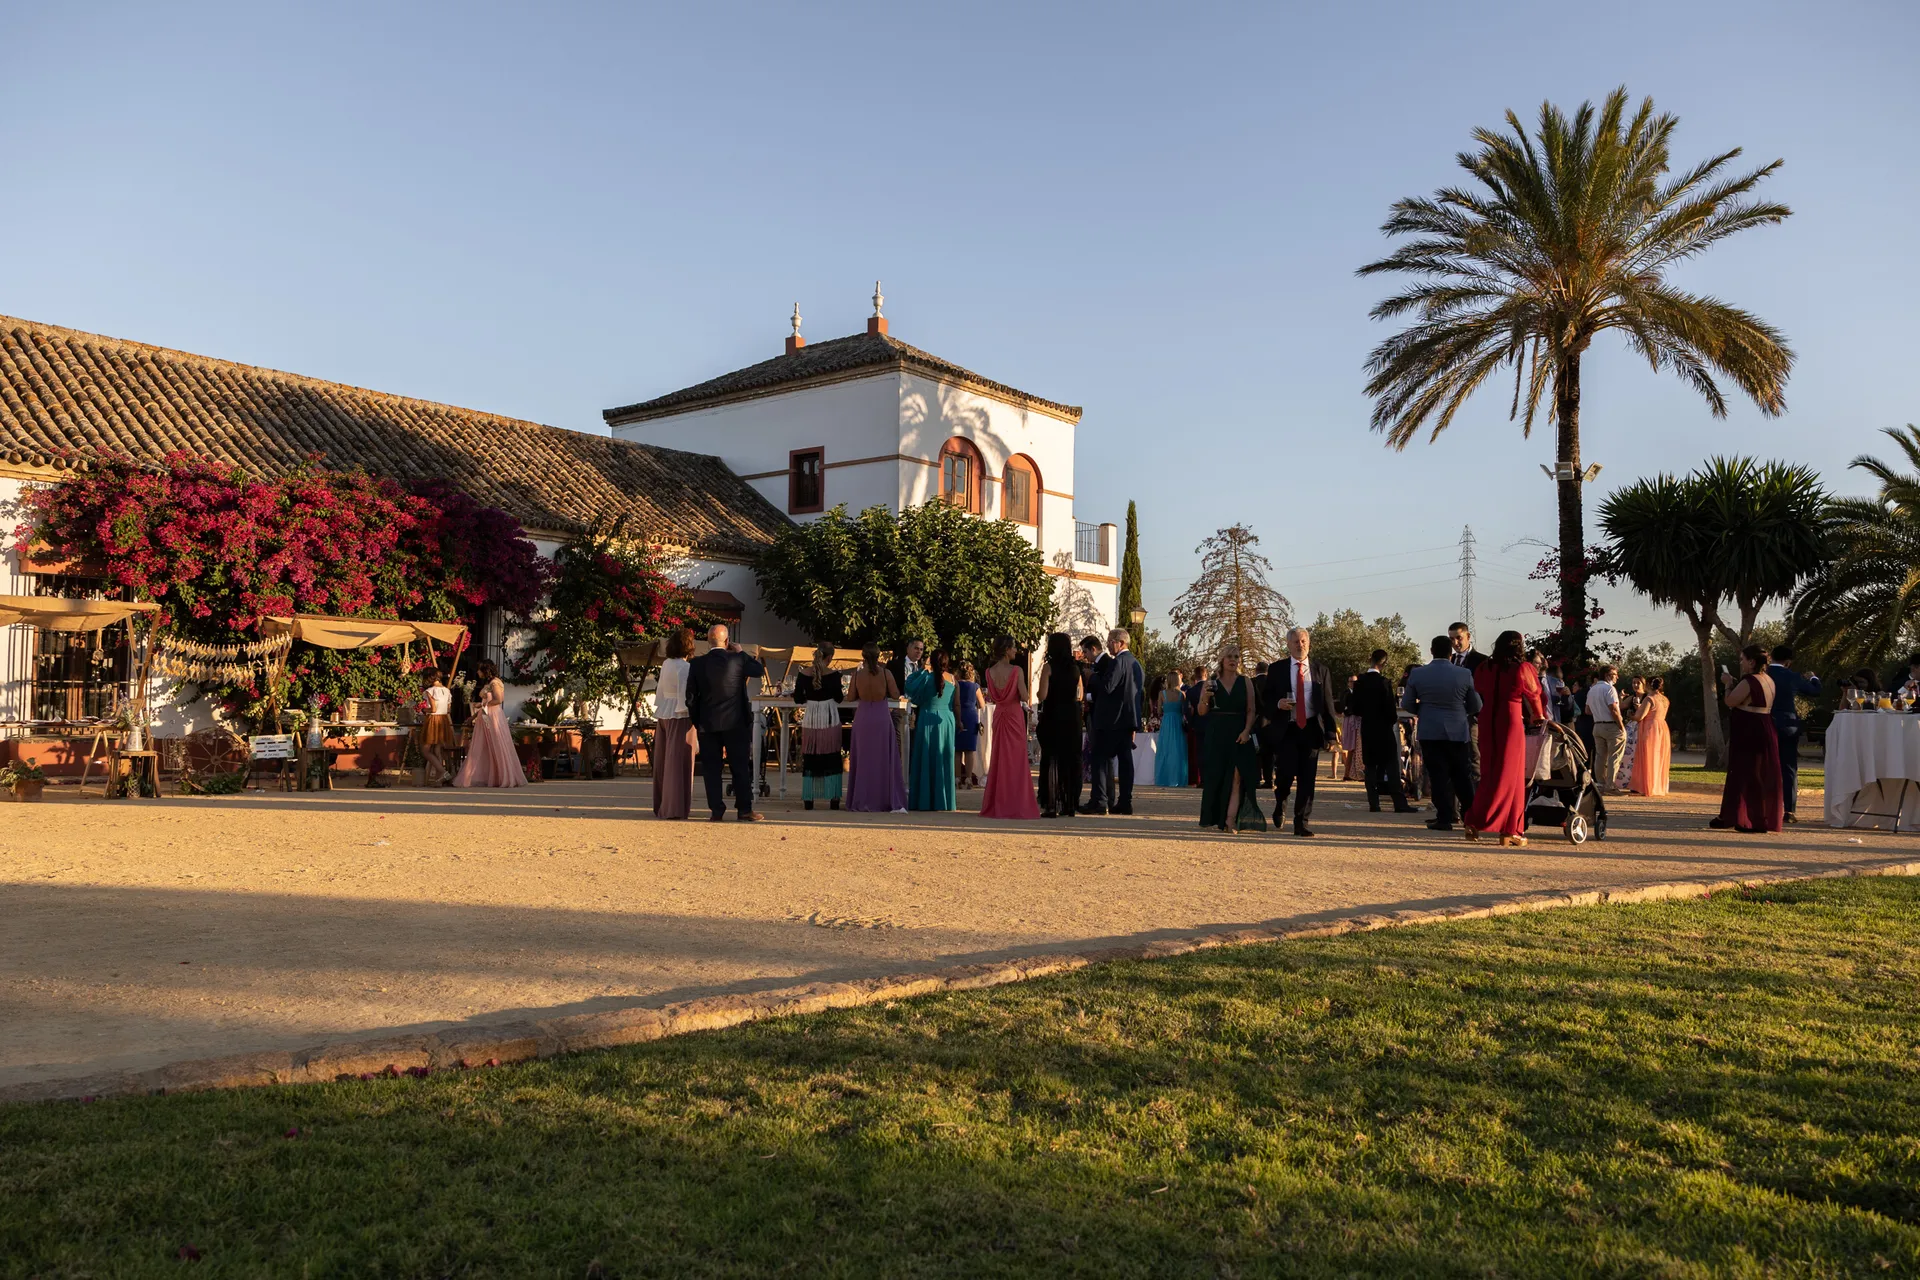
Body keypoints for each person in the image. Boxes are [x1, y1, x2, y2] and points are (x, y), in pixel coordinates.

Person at [1460, 630, 1545, 847]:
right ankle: (1511, 829)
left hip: (1488, 717)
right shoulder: (1523, 668)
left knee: (1490, 771)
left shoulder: (1485, 666)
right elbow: (1534, 695)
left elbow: (1479, 687)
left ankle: (1473, 821)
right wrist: (1538, 716)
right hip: (1511, 717)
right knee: (1512, 775)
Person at [1260, 626, 1339, 837]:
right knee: (1285, 775)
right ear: (1288, 645)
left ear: (1309, 643)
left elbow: (1328, 703)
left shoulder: (1320, 670)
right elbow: (1265, 700)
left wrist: (1331, 734)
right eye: (1295, 641)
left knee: (1308, 777)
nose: (1300, 645)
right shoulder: (1277, 669)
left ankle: (1301, 821)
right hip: (1287, 729)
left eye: (1303, 641)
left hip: (1311, 729)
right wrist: (1278, 703)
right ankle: (1281, 802)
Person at [685, 623, 765, 822]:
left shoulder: (697, 664)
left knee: (712, 769)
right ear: (727, 641)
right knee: (739, 767)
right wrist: (742, 653)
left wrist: (697, 720)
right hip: (736, 722)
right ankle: (744, 809)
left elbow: (691, 697)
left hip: (708, 723)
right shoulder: (738, 660)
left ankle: (716, 810)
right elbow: (759, 670)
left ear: (707, 641)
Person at [1401, 636, 1482, 831]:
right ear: (1450, 653)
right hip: (1458, 730)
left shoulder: (1419, 674)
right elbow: (1476, 704)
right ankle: (1470, 816)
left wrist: (1423, 711)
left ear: (1431, 650)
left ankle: (1444, 817)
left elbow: (1406, 704)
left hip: (1430, 729)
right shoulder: (1464, 674)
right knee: (1461, 774)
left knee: (1437, 775)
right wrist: (1461, 712)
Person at [1712, 645, 1784, 833]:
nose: (1741, 662)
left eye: (1743, 659)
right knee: (1751, 773)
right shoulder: (1769, 680)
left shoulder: (1750, 680)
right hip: (1764, 725)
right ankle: (1731, 815)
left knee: (1749, 773)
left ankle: (1755, 820)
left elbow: (1731, 701)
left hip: (1750, 730)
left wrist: (1727, 684)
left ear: (1752, 662)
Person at [1198, 645, 1264, 833]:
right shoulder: (1211, 682)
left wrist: (1246, 731)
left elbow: (1252, 710)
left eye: (1236, 656)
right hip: (1216, 733)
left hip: (1239, 734)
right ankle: (1216, 817)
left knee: (1237, 777)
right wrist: (1206, 698)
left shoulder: (1246, 682)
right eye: (1229, 656)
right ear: (1222, 659)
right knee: (1216, 777)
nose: (1233, 660)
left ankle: (1230, 820)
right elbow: (1202, 712)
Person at [1082, 627, 1145, 815]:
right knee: (1125, 762)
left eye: (1111, 641)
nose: (1108, 644)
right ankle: (1125, 801)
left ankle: (1100, 801)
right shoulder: (1136, 664)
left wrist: (1092, 677)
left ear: (1121, 643)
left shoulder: (1118, 662)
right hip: (1127, 719)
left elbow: (1108, 687)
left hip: (1111, 721)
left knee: (1100, 759)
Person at [979, 637, 1039, 819]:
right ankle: (1016, 803)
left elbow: (992, 696)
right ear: (1006, 650)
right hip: (1013, 715)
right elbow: (1025, 695)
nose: (1015, 651)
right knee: (1016, 759)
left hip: (999, 714)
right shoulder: (1016, 670)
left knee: (999, 758)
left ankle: (999, 802)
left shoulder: (989, 672)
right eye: (1013, 648)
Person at [1348, 648, 1414, 812]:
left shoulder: (1360, 682)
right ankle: (1398, 802)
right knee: (1391, 765)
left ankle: (1373, 803)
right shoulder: (1384, 683)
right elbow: (1391, 712)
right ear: (1384, 664)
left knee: (1370, 766)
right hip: (1384, 729)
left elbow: (1355, 708)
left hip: (1368, 728)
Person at [845, 644, 907, 812]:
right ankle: (884, 798)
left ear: (863, 656)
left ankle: (862, 798)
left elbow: (850, 697)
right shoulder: (886, 673)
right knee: (883, 759)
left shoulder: (858, 675)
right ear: (879, 656)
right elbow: (895, 694)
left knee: (863, 759)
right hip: (881, 715)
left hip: (863, 716)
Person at [1766, 644, 1823, 824]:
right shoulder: (1792, 676)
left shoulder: (1763, 675)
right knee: (1789, 767)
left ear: (1771, 657)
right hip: (1787, 725)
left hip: (1766, 722)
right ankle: (1789, 810)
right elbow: (1815, 691)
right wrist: (1814, 677)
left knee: (1764, 765)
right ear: (1788, 662)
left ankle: (1765, 807)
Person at [454, 659, 528, 789]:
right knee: (483, 747)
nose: (477, 672)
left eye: (479, 669)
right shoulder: (490, 683)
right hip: (486, 716)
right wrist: (473, 716)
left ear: (485, 670)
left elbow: (499, 699)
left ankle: (504, 776)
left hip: (493, 716)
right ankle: (491, 776)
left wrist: (481, 704)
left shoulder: (495, 683)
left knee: (497, 744)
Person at [1035, 632, 1084, 818]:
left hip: (1054, 715)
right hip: (1072, 716)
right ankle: (1070, 803)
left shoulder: (1049, 667)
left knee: (1051, 759)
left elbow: (1042, 695)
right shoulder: (1076, 668)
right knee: (1070, 760)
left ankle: (1051, 804)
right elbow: (1080, 694)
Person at [792, 644, 845, 811]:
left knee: (811, 754)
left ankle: (809, 798)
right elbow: (839, 698)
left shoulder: (803, 674)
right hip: (829, 715)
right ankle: (833, 798)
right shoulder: (834, 675)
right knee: (832, 754)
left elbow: (798, 699)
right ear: (829, 658)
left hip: (811, 717)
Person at [651, 627, 696, 818]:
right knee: (678, 762)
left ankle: (662, 805)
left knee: (663, 761)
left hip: (663, 712)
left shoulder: (666, 664)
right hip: (679, 713)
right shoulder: (685, 667)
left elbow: (660, 691)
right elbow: (685, 695)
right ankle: (674, 808)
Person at [905, 648, 958, 811]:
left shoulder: (926, 679)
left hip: (927, 718)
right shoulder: (953, 679)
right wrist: (960, 722)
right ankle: (944, 801)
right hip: (946, 720)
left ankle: (924, 800)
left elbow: (909, 686)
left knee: (925, 757)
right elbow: (957, 704)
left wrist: (922, 669)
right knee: (944, 759)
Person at [1448, 622, 1488, 788]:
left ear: (1468, 637)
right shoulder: (1449, 662)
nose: (1456, 643)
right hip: (1452, 718)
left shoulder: (1482, 661)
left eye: (1459, 638)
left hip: (1472, 717)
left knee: (1474, 758)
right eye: (1452, 639)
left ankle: (1477, 800)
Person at [887, 638, 925, 791]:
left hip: (916, 711)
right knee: (898, 744)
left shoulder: (922, 668)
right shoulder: (894, 665)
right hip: (898, 709)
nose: (919, 652)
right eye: (916, 648)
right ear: (908, 648)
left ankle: (911, 780)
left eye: (921, 649)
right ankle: (895, 780)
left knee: (913, 745)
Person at [1630, 675, 1672, 797]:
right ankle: (1657, 785)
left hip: (1650, 728)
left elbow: (1639, 717)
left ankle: (1646, 785)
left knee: (1648, 756)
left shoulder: (1649, 698)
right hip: (1662, 727)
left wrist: (1631, 715)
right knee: (1659, 757)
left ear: (1648, 685)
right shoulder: (1665, 699)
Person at [1587, 665, 1625, 793]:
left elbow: (1587, 710)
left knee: (1600, 756)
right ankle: (1610, 785)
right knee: (1614, 756)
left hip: (1597, 724)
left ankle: (1600, 784)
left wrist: (1599, 711)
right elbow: (1613, 708)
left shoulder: (1592, 689)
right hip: (1611, 725)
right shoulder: (1609, 688)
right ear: (1608, 676)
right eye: (1615, 674)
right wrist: (1621, 725)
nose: (1617, 677)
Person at [1153, 673, 1189, 787]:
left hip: (1167, 723)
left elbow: (1159, 711)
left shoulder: (1162, 694)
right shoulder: (1182, 694)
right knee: (1178, 750)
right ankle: (1178, 778)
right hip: (1178, 723)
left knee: (1165, 749)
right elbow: (1184, 711)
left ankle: (1164, 777)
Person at [953, 661, 985, 789]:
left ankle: (956, 778)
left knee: (958, 751)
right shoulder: (975, 686)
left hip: (958, 715)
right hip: (971, 716)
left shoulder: (955, 684)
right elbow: (982, 704)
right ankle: (968, 778)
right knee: (970, 750)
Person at [420, 670, 454, 786]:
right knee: (437, 749)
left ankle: (443, 772)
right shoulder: (447, 691)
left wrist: (424, 710)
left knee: (425, 750)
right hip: (443, 720)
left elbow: (433, 709)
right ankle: (439, 780)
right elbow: (448, 709)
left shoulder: (430, 691)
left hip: (434, 720)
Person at [1615, 675, 1644, 791]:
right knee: (1627, 755)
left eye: (1638, 683)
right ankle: (1625, 780)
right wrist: (1620, 697)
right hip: (1631, 728)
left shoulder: (1647, 697)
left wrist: (1639, 709)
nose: (1635, 685)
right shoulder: (1632, 697)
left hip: (1642, 727)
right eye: (1633, 683)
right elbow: (1620, 706)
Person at [1183, 664, 1208, 787]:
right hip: (1211, 724)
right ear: (1205, 674)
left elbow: (1188, 710)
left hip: (1198, 724)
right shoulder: (1211, 688)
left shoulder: (1191, 691)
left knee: (1200, 752)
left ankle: (1203, 779)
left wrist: (1191, 723)